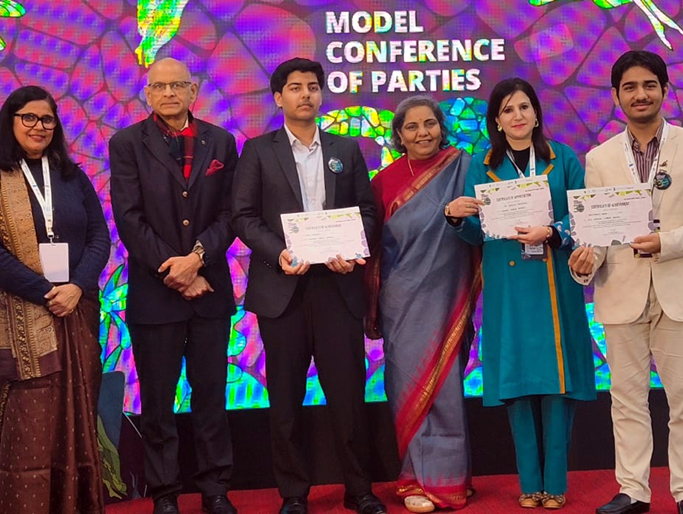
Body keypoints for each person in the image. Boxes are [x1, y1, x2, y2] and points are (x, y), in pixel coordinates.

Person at [568, 50, 683, 514]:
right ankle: (633, 490)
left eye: (648, 85)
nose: (640, 94)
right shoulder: (599, 158)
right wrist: (584, 260)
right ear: (616, 96)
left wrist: (667, 242)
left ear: (663, 89)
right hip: (622, 294)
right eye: (630, 87)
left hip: (681, 292)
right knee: (626, 400)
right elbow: (598, 233)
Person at [231, 57, 386, 514]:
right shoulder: (258, 150)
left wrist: (354, 248)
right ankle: (294, 494)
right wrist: (280, 252)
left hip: (338, 285)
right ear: (278, 97)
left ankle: (359, 490)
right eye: (296, 87)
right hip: (284, 288)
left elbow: (367, 211)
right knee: (285, 400)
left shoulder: (346, 149)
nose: (306, 94)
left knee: (348, 396)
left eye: (313, 87)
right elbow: (243, 216)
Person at [446, 78, 596, 509]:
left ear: (536, 114)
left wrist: (552, 231)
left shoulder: (562, 159)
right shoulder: (482, 165)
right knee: (517, 384)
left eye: (524, 107)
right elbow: (476, 234)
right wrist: (456, 217)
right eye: (508, 110)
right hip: (508, 287)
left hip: (556, 283)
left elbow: (583, 218)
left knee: (557, 386)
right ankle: (529, 483)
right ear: (496, 120)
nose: (517, 116)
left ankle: (556, 484)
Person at [0, 85, 111, 513]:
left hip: (75, 310)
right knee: (28, 425)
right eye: (28, 117)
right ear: (10, 122)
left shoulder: (71, 176)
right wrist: (46, 292)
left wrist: (77, 286)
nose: (39, 126)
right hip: (18, 317)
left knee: (78, 417)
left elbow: (99, 237)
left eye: (47, 119)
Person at [109, 58, 239, 514]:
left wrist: (198, 259)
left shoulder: (220, 141)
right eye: (159, 86)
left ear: (193, 91)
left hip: (210, 292)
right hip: (154, 294)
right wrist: (176, 270)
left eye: (177, 85)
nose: (169, 93)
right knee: (158, 402)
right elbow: (129, 217)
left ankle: (215, 489)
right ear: (147, 93)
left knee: (211, 398)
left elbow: (231, 213)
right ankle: (165, 492)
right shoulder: (126, 143)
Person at [364, 96, 480, 513]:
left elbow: (483, 224)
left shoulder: (464, 169)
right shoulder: (384, 182)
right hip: (402, 300)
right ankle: (414, 479)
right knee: (408, 388)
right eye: (411, 127)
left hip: (449, 294)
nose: (422, 133)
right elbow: (374, 249)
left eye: (429, 124)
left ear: (441, 127)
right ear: (399, 135)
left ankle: (450, 479)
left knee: (446, 389)